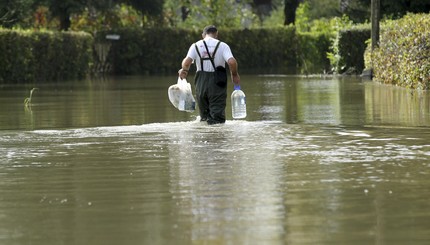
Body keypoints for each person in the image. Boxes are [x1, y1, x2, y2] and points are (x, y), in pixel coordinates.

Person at [178, 25, 240, 125]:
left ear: (203, 35)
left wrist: (184, 71)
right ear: (216, 35)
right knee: (217, 118)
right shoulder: (222, 45)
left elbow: (186, 62)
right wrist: (235, 74)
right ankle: (216, 138)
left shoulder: (195, 46)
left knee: (204, 117)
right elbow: (232, 62)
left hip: (200, 82)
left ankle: (206, 138)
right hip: (217, 82)